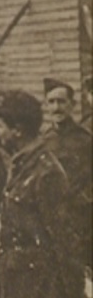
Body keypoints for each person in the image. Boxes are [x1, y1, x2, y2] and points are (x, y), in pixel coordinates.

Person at [0, 90, 85, 298]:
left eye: (0, 126)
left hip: (45, 296)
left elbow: (64, 238)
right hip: (26, 291)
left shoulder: (46, 173)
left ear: (17, 130)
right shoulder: (21, 165)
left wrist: (69, 296)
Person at [41, 78, 92, 270]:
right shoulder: (44, 141)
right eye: (51, 102)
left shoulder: (86, 141)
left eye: (61, 102)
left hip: (82, 222)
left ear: (72, 105)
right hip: (51, 220)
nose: (56, 107)